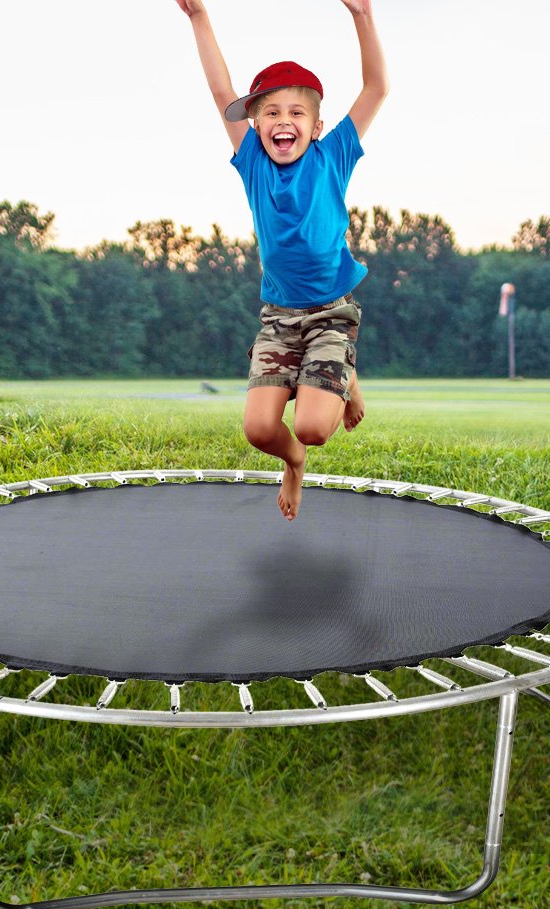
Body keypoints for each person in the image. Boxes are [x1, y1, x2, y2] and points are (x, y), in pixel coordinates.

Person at [173, 0, 389, 521]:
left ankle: (342, 368)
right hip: (279, 317)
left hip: (332, 311)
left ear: (316, 126)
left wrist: (362, 15)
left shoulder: (334, 153)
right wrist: (200, 18)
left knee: (316, 427)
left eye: (296, 112)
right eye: (271, 112)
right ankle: (294, 463)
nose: (283, 121)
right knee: (260, 431)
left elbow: (376, 88)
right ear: (255, 123)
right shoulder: (252, 161)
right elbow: (220, 90)